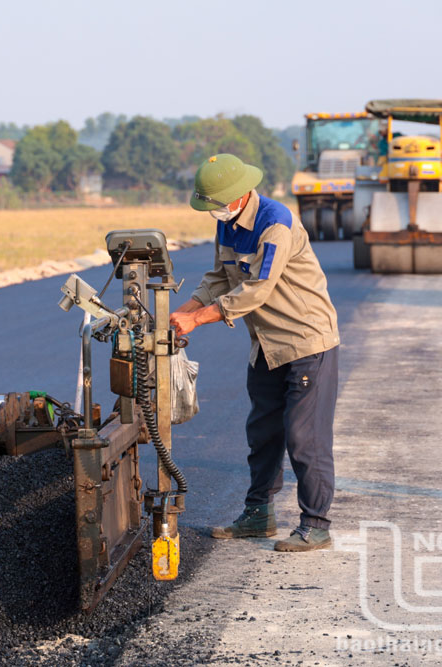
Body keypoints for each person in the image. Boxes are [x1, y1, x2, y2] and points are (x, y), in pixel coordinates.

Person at [170, 154, 340, 552]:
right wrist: (186, 309)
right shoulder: (227, 225)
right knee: (263, 433)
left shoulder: (275, 224)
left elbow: (256, 290)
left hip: (305, 342)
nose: (213, 212)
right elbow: (218, 277)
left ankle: (316, 524)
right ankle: (258, 514)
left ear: (239, 194)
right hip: (265, 345)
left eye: (216, 204)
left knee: (304, 437)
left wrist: (199, 320)